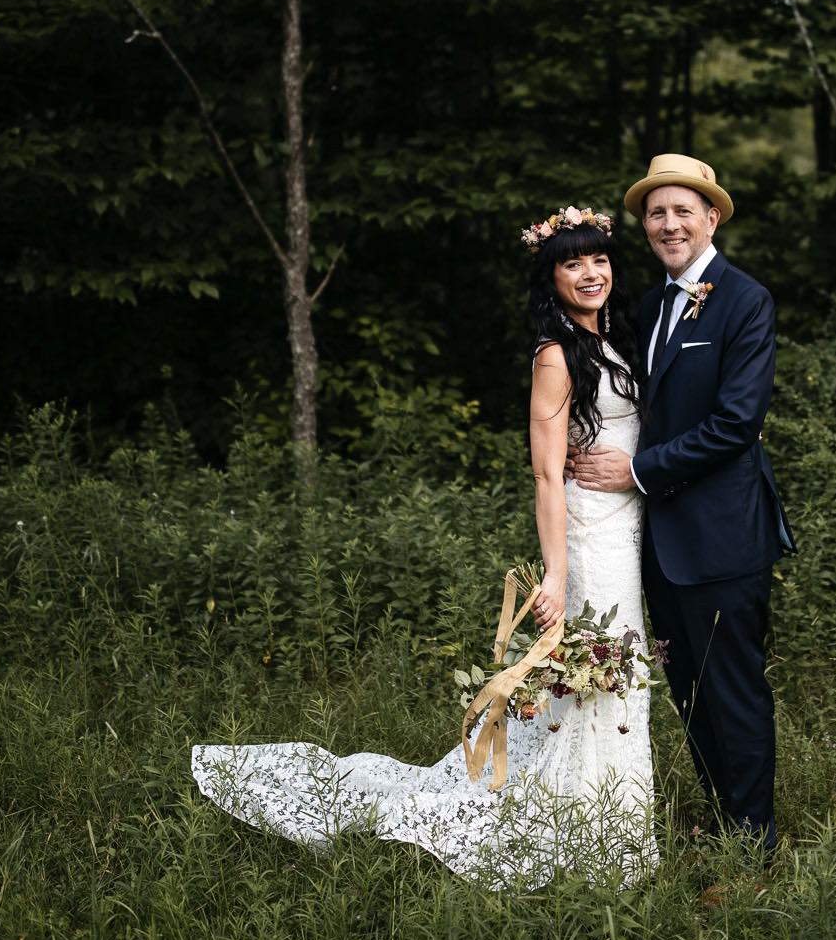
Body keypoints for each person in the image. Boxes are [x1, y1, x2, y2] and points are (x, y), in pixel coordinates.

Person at [190, 207, 658, 890]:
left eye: (598, 259)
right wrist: (555, 572)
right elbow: (545, 471)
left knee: (620, 674)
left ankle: (612, 822)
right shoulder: (556, 355)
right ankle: (585, 834)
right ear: (550, 276)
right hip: (589, 535)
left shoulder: (620, 336)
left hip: (629, 523)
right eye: (571, 263)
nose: (590, 273)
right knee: (594, 679)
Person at [571, 153, 793, 854]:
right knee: (690, 696)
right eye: (657, 213)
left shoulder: (744, 300)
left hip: (724, 538)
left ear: (711, 217)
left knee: (733, 692)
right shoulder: (649, 305)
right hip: (659, 543)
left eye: (682, 211)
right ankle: (727, 825)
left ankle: (754, 848)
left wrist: (636, 471)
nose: (669, 224)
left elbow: (735, 425)